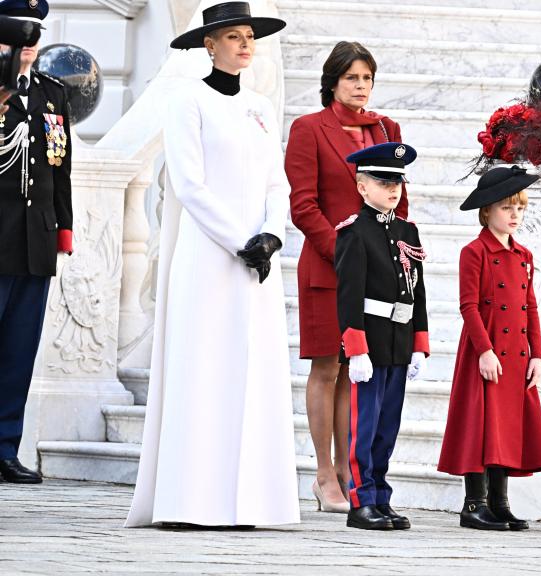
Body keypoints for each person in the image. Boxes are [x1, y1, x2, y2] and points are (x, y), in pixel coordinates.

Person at [125, 1, 299, 528]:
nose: (245, 45)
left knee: (252, 373)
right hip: (207, 254)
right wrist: (239, 239)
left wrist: (271, 234)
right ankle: (187, 502)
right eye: (234, 36)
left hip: (258, 262)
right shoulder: (187, 100)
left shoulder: (262, 109)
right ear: (210, 44)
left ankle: (251, 501)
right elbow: (190, 184)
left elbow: (277, 182)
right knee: (201, 369)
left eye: (250, 36)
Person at [285, 41, 408, 514]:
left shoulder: (387, 129)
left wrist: (395, 256)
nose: (360, 86)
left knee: (360, 374)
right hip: (327, 266)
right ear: (332, 81)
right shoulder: (309, 129)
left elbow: (400, 198)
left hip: (378, 273)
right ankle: (322, 474)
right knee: (327, 367)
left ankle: (348, 470)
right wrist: (348, 253)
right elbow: (303, 204)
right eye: (352, 77)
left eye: (367, 78)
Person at [437, 166, 541, 531]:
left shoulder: (524, 255)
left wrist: (537, 353)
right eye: (506, 208)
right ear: (486, 211)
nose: (514, 215)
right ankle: (474, 504)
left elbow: (530, 305)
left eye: (519, 208)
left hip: (517, 354)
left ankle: (500, 503)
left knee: (506, 427)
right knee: (481, 426)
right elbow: (468, 306)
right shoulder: (475, 252)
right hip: (484, 352)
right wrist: (484, 351)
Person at [334, 142, 428, 531]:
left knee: (388, 424)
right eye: (383, 181)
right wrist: (356, 349)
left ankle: (382, 498)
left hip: (399, 341)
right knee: (366, 424)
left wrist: (419, 344)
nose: (393, 189)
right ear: (362, 187)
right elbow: (349, 294)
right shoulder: (355, 232)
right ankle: (361, 500)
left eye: (398, 182)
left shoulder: (408, 230)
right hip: (370, 342)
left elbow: (417, 290)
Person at [0, 0, 72, 485]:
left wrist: (63, 229)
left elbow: (61, 168)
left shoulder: (52, 94)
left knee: (18, 351)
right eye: (16, 36)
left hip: (35, 242)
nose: (26, 48)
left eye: (33, 37)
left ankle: (5, 446)